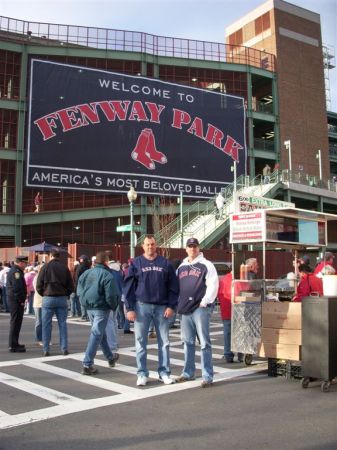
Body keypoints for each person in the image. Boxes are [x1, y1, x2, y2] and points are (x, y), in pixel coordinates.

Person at [124, 235, 179, 386]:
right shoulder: (136, 263)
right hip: (142, 307)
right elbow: (128, 287)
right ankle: (142, 373)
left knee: (165, 342)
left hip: (162, 307)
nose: (150, 247)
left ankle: (164, 373)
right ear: (143, 246)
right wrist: (129, 308)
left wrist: (171, 306)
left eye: (152, 244)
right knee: (141, 341)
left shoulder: (165, 263)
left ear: (156, 246)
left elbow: (173, 287)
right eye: (147, 245)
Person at [176, 238, 219, 388]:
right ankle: (188, 373)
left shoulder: (206, 265)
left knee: (204, 343)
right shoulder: (181, 267)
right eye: (190, 246)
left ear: (199, 248)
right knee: (187, 342)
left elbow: (213, 284)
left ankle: (207, 376)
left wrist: (205, 301)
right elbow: (177, 287)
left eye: (195, 246)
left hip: (200, 308)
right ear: (186, 248)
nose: (192, 249)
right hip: (185, 309)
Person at [77, 251, 119, 375]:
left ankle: (110, 357)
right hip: (101, 307)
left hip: (89, 306)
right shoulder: (107, 275)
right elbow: (111, 295)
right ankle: (87, 363)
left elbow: (79, 288)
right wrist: (113, 306)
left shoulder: (86, 273)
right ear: (106, 262)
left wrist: (83, 302)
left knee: (99, 334)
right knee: (96, 334)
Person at [36, 249, 74, 356]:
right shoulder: (64, 268)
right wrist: (65, 294)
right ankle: (64, 348)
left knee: (46, 325)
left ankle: (46, 349)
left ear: (50, 256)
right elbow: (71, 285)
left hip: (48, 297)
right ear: (58, 256)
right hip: (62, 298)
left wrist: (44, 293)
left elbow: (39, 285)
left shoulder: (45, 267)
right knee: (62, 324)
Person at [217, 270, 244, 363]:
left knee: (227, 332)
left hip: (226, 309)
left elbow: (219, 293)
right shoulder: (240, 279)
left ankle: (228, 354)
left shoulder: (223, 279)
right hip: (238, 308)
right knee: (240, 331)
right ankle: (241, 354)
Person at [7, 256, 28, 352]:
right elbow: (17, 288)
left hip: (15, 300)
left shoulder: (15, 270)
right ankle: (13, 345)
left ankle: (15, 343)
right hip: (16, 301)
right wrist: (21, 301)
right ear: (21, 263)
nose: (25, 265)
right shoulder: (16, 272)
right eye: (25, 263)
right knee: (15, 322)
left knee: (16, 323)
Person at [75, 255, 91, 320]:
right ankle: (88, 315)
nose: (79, 260)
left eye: (80, 259)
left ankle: (84, 315)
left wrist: (76, 286)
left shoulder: (80, 267)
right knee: (88, 301)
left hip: (81, 286)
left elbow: (77, 277)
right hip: (88, 285)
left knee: (82, 301)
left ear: (82, 260)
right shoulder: (89, 267)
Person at [32, 265, 43, 346]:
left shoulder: (47, 277)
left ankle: (46, 338)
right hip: (38, 302)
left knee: (47, 322)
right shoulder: (37, 277)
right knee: (39, 321)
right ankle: (39, 339)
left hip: (46, 302)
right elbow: (37, 289)